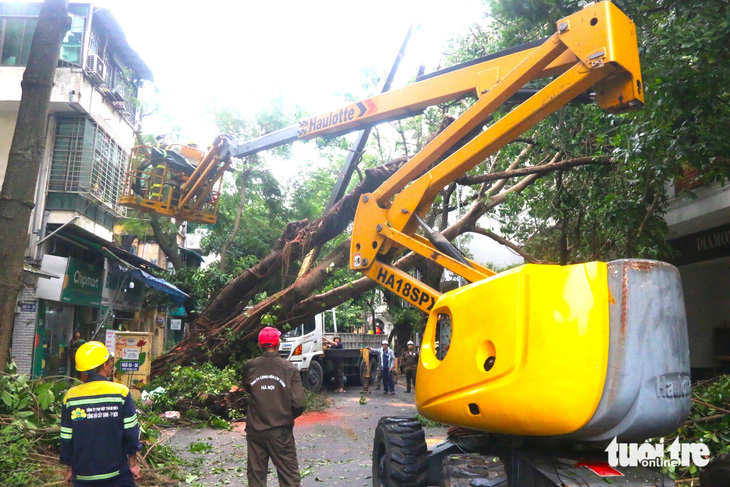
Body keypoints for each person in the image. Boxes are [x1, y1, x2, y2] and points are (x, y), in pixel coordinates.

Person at [60, 341, 141, 486]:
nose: (111, 365)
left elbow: (66, 437)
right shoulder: (121, 392)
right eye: (109, 362)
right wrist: (133, 463)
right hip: (117, 475)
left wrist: (70, 468)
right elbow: (131, 432)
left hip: (83, 476)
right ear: (104, 365)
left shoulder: (70, 397)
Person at [242, 327, 305, 487]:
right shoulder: (289, 368)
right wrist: (285, 416)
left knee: (256, 477)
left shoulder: (249, 366)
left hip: (255, 431)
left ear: (259, 345)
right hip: (280, 432)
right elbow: (298, 403)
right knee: (288, 477)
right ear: (278, 344)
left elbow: (247, 391)